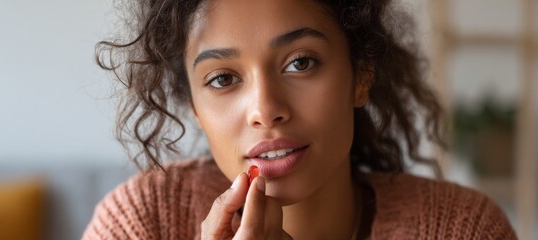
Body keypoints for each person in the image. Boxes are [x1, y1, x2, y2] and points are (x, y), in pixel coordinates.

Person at [82, 0, 516, 239]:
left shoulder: (461, 228)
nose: (265, 108)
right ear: (194, 106)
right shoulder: (141, 222)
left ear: (361, 75)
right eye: (223, 78)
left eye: (301, 62)